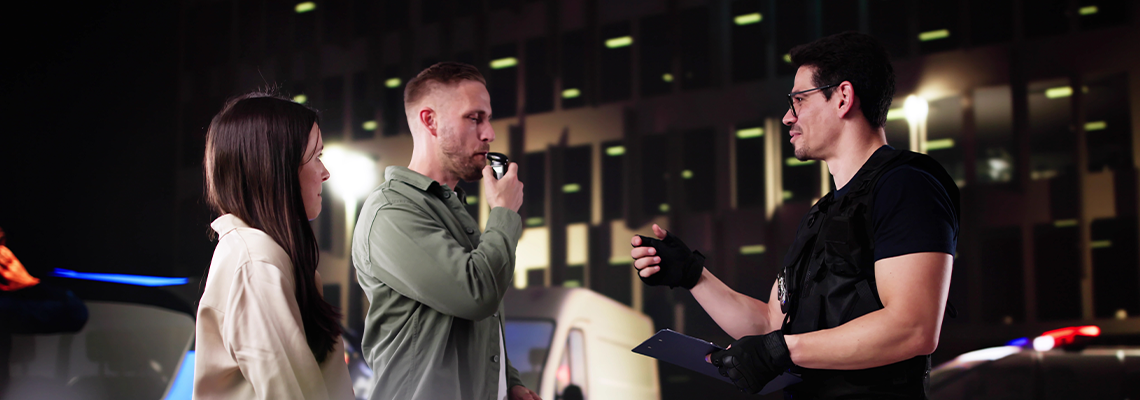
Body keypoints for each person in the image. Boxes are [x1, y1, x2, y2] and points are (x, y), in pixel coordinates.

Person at [631, 32, 959, 399]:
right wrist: (694, 276)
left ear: (843, 98)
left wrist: (783, 350)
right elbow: (771, 323)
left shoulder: (906, 185)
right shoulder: (821, 214)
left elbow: (913, 327)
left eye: (799, 100)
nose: (788, 117)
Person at [351, 62, 539, 400]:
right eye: (474, 118)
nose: (489, 133)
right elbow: (477, 294)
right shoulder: (392, 211)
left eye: (488, 118)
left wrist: (508, 383)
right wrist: (503, 213)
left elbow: (477, 324)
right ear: (430, 121)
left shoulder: (448, 207)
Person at [194, 93, 353, 400]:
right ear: (279, 167)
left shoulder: (263, 256)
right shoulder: (256, 262)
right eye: (316, 156)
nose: (325, 172)